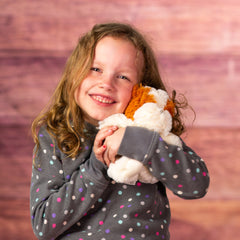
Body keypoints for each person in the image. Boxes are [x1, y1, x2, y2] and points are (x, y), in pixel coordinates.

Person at [30, 22, 210, 240]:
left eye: (123, 76)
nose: (106, 83)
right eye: (95, 69)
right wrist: (97, 167)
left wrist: (142, 144)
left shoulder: (147, 129)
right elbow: (43, 225)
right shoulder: (55, 135)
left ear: (141, 88)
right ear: (73, 73)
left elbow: (196, 185)